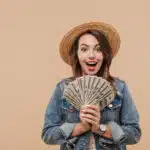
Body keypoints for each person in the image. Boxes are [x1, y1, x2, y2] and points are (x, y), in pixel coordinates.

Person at [41, 22, 141, 150]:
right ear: (77, 55)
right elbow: (48, 135)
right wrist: (81, 127)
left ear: (105, 55)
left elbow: (135, 134)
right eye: (84, 49)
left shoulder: (120, 88)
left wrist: (101, 128)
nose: (91, 55)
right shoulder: (62, 89)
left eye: (98, 49)